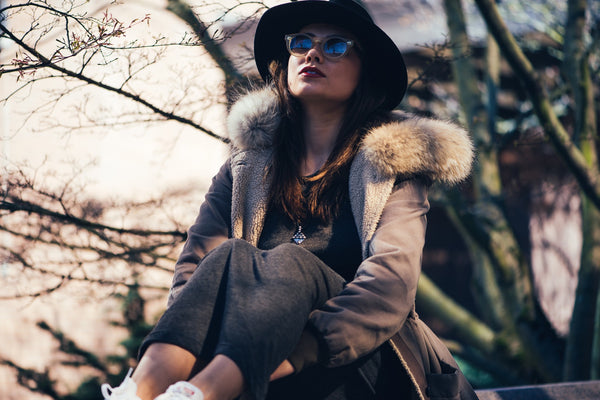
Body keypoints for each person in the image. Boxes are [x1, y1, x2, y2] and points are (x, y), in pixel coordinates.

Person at [101, 0, 478, 399]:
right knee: (229, 255)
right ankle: (139, 391)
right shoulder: (247, 166)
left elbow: (389, 288)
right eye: (301, 42)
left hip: (363, 364)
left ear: (365, 68)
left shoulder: (391, 165)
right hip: (254, 368)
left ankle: (199, 395)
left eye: (335, 46)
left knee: (291, 260)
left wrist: (280, 356)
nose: (312, 53)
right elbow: (193, 271)